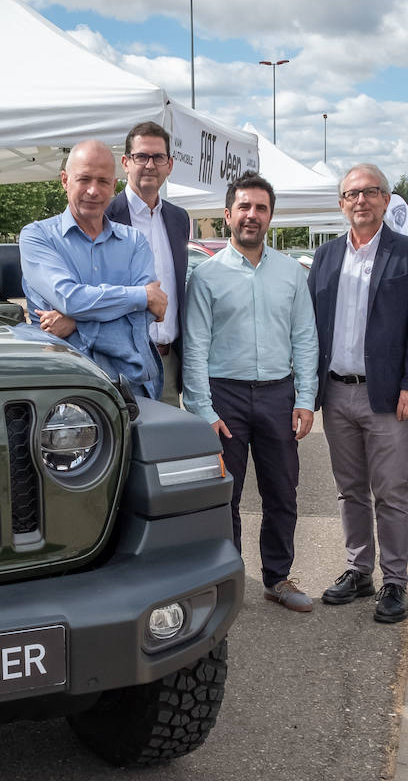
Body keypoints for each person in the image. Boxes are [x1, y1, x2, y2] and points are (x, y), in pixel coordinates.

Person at [308, 164, 408, 623]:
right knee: (350, 491)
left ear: (385, 200)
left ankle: (395, 581)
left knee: (391, 491)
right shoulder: (324, 257)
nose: (360, 200)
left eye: (370, 192)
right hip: (336, 393)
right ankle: (359, 570)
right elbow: (310, 329)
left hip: (388, 398)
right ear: (341, 203)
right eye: (351, 194)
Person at [183, 171, 318, 613]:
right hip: (226, 399)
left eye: (261, 208)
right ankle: (230, 578)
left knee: (283, 492)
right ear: (227, 215)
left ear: (271, 217)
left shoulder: (290, 274)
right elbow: (196, 346)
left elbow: (305, 338)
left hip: (278, 395)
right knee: (227, 496)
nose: (252, 215)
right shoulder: (206, 276)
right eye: (244, 207)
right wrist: (202, 408)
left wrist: (303, 397)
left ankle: (277, 578)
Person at [18, 140, 167, 399]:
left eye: (103, 181)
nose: (93, 190)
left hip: (134, 393)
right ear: (65, 180)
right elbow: (70, 298)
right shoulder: (37, 237)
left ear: (114, 185)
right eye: (84, 179)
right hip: (66, 396)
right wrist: (140, 296)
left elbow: (139, 325)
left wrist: (75, 324)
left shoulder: (134, 242)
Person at [107, 121, 190, 407]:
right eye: (141, 156)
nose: (150, 164)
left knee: (166, 447)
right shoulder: (105, 216)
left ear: (170, 164)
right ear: (126, 163)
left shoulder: (179, 219)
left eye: (158, 157)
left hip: (167, 363)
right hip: (118, 361)